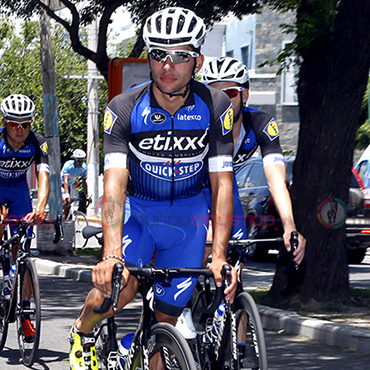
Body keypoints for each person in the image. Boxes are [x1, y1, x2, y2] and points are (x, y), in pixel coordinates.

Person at [68, 7, 238, 370]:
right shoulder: (125, 108)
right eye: (159, 54)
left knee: (166, 324)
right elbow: (114, 183)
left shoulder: (215, 105)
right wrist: (111, 254)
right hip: (138, 215)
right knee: (120, 288)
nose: (168, 65)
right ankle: (82, 331)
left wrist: (219, 254)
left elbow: (222, 182)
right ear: (149, 57)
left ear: (197, 60)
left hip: (187, 221)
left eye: (180, 56)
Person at [202, 56, 306, 260]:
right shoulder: (195, 125)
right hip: (191, 188)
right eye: (214, 94)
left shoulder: (261, 124)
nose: (222, 101)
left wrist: (290, 226)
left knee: (238, 246)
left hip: (226, 187)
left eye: (230, 93)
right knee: (207, 242)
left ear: (245, 94)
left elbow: (276, 181)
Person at [0, 94, 49, 342]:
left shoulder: (37, 142)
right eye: (13, 124)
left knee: (24, 253)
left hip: (19, 191)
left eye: (25, 124)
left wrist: (40, 208)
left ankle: (26, 312)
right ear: (4, 122)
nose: (20, 130)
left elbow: (43, 178)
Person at [61, 149, 89, 217]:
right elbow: (66, 180)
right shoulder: (68, 164)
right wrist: (66, 193)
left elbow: (84, 183)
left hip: (69, 185)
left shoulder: (84, 168)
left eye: (82, 160)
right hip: (60, 184)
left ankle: (64, 219)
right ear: (74, 159)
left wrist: (87, 196)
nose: (80, 162)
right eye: (78, 160)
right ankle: (56, 212)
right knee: (66, 200)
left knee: (68, 205)